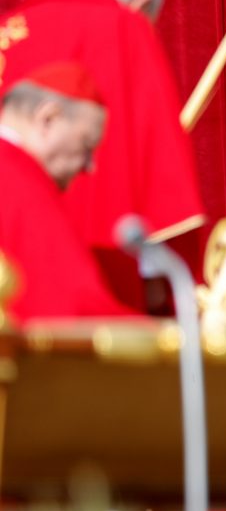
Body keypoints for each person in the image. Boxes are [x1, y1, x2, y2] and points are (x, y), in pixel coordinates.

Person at [0, 0, 205, 312]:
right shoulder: (125, 26)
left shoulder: (9, 26)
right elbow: (155, 162)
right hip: (94, 244)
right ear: (141, 4)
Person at [0, 61, 132, 321]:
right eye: (86, 145)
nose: (89, 166)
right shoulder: (20, 179)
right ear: (48, 119)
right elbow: (72, 310)